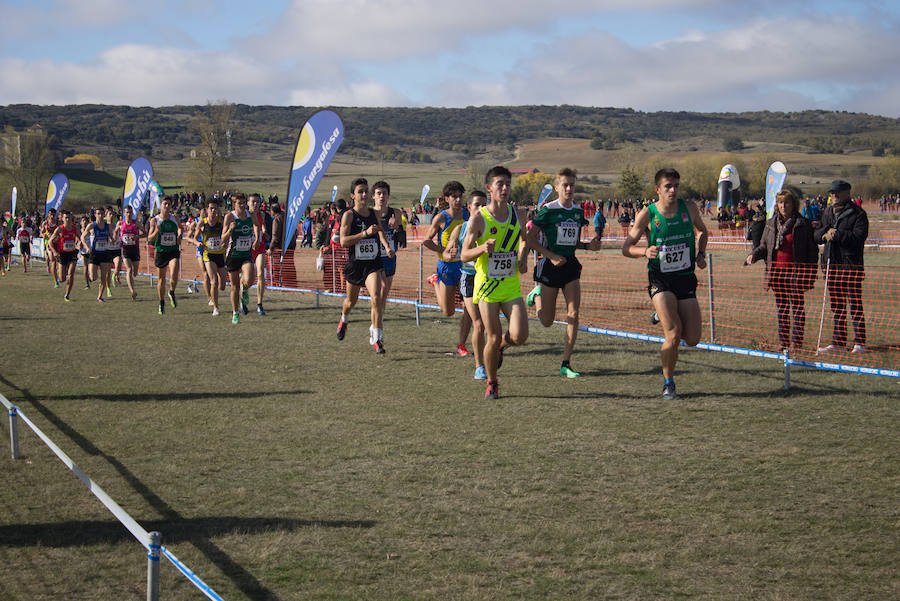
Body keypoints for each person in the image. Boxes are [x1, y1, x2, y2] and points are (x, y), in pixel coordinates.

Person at [622, 168, 708, 401]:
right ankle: (668, 382)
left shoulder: (689, 208)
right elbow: (626, 248)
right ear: (657, 189)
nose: (673, 190)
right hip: (660, 279)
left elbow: (703, 231)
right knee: (673, 333)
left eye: (676, 186)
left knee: (692, 338)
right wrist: (643, 251)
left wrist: (700, 254)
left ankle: (662, 313)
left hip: (685, 277)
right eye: (668, 186)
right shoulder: (647, 214)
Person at [525, 168, 602, 377]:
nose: (569, 189)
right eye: (565, 185)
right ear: (557, 187)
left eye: (572, 185)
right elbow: (530, 239)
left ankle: (566, 363)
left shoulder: (578, 212)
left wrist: (588, 247)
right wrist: (549, 255)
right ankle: (537, 295)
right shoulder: (548, 210)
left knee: (573, 314)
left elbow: (572, 242)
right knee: (547, 321)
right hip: (551, 267)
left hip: (570, 267)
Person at [460, 166, 530, 400]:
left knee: (520, 336)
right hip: (487, 287)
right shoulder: (479, 219)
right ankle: (492, 382)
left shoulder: (518, 214)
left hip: (510, 284)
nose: (505, 188)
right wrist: (481, 248)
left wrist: (522, 257)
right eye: (500, 184)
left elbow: (524, 241)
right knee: (490, 335)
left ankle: (502, 344)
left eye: (508, 184)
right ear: (489, 188)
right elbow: (464, 254)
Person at [744, 189, 818, 352]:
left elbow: (812, 251)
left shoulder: (803, 224)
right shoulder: (770, 223)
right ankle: (784, 343)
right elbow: (764, 246)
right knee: (782, 309)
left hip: (796, 273)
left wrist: (811, 274)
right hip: (777, 274)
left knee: (797, 308)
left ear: (793, 204)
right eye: (780, 202)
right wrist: (753, 255)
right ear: (777, 205)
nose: (784, 206)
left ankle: (796, 343)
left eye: (787, 202)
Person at [336, 177, 394, 353]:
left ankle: (377, 339)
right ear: (353, 195)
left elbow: (380, 231)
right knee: (350, 302)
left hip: (373, 264)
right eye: (360, 191)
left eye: (366, 191)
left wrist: (386, 246)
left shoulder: (373, 214)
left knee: (376, 297)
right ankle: (344, 319)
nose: (364, 194)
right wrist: (364, 234)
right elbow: (343, 242)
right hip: (355, 265)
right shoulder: (348, 215)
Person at [814, 180, 868, 353]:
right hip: (831, 264)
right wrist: (824, 234)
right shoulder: (827, 212)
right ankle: (838, 342)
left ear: (847, 193)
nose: (834, 195)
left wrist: (837, 234)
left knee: (855, 305)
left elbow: (858, 237)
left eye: (838, 192)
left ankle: (859, 342)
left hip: (851, 265)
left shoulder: (858, 214)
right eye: (832, 192)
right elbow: (817, 233)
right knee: (837, 306)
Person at [422, 181, 472, 355]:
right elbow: (427, 241)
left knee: (470, 308)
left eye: (460, 196)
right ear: (446, 198)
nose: (458, 200)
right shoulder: (441, 218)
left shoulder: (468, 214)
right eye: (454, 197)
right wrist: (442, 251)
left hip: (466, 266)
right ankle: (435, 281)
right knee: (448, 311)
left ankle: (461, 345)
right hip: (447, 267)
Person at [445, 190, 488, 379]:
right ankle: (480, 366)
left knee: (490, 325)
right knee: (478, 324)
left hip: (488, 278)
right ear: (469, 207)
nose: (481, 209)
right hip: (469, 278)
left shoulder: (491, 226)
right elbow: (447, 253)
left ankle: (495, 350)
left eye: (484, 205)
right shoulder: (460, 228)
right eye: (477, 205)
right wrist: (451, 253)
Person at [222, 193, 261, 324]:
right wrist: (229, 230)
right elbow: (222, 238)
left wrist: (256, 239)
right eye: (240, 203)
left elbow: (256, 225)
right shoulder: (229, 217)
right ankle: (235, 313)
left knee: (249, 279)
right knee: (234, 287)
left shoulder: (251, 215)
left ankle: (245, 289)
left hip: (245, 254)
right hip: (232, 255)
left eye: (244, 203)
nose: (243, 205)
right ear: (234, 204)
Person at [371, 181, 403, 334]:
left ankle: (377, 320)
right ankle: (377, 325)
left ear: (388, 195)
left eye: (384, 193)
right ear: (373, 196)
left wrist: (396, 226)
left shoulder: (395, 212)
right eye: (379, 193)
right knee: (378, 291)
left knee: (384, 293)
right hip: (374, 257)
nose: (382, 196)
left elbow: (401, 231)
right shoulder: (369, 214)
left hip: (390, 256)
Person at [187, 199, 228, 316]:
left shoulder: (222, 222)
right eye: (211, 208)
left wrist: (226, 240)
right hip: (208, 255)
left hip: (220, 254)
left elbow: (227, 235)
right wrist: (197, 243)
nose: (213, 211)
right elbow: (194, 238)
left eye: (215, 208)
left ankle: (214, 297)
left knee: (223, 285)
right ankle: (215, 307)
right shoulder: (202, 223)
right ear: (207, 210)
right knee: (213, 280)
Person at [147, 196, 183, 315]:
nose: (167, 206)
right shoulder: (155, 220)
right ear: (160, 205)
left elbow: (180, 228)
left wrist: (179, 236)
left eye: (168, 204)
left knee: (174, 273)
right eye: (164, 204)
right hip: (161, 251)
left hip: (173, 250)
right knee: (161, 279)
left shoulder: (175, 217)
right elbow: (149, 238)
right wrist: (157, 231)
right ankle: (161, 302)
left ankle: (171, 292)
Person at [80, 208, 113, 302]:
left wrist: (114, 241)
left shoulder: (108, 226)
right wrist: (87, 247)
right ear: (95, 215)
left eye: (102, 214)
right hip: (94, 254)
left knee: (104, 277)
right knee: (93, 277)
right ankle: (91, 278)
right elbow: (82, 237)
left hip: (104, 253)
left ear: (104, 215)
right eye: (98, 213)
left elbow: (111, 237)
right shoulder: (91, 226)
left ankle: (100, 297)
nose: (100, 215)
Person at [114, 205, 145, 300]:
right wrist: (115, 239)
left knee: (135, 272)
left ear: (132, 213)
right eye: (127, 212)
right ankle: (132, 291)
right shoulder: (120, 223)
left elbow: (145, 233)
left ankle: (131, 283)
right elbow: (115, 232)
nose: (128, 214)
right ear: (124, 213)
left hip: (135, 250)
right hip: (125, 250)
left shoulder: (137, 223)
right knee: (129, 269)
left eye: (130, 212)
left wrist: (137, 237)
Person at [48, 210, 79, 301]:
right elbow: (50, 242)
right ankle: (60, 276)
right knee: (62, 279)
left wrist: (80, 243)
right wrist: (54, 251)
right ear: (62, 219)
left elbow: (79, 237)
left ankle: (67, 294)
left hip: (72, 253)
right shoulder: (59, 229)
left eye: (69, 218)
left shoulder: (75, 228)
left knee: (71, 274)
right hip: (62, 254)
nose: (68, 219)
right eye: (66, 218)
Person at [248, 194, 270, 315]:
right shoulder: (244, 215)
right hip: (247, 248)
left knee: (261, 272)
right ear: (248, 203)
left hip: (260, 247)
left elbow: (262, 226)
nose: (255, 204)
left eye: (257, 202)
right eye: (253, 202)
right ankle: (243, 294)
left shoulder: (261, 215)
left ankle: (259, 304)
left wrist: (265, 233)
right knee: (248, 279)